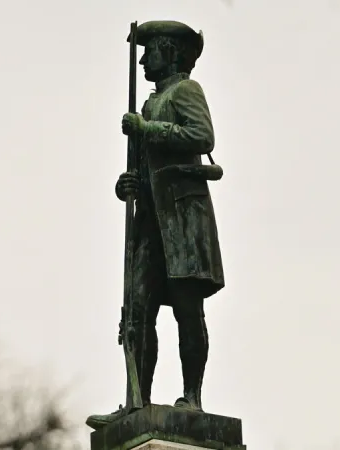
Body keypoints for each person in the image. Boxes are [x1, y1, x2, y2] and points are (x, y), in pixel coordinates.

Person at [87, 20, 226, 430]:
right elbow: (142, 166)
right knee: (137, 310)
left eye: (151, 51)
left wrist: (148, 129)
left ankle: (193, 398)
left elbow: (202, 137)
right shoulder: (148, 105)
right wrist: (126, 183)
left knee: (187, 310)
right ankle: (136, 401)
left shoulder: (185, 91)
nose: (145, 58)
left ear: (170, 51)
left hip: (183, 219)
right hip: (149, 219)